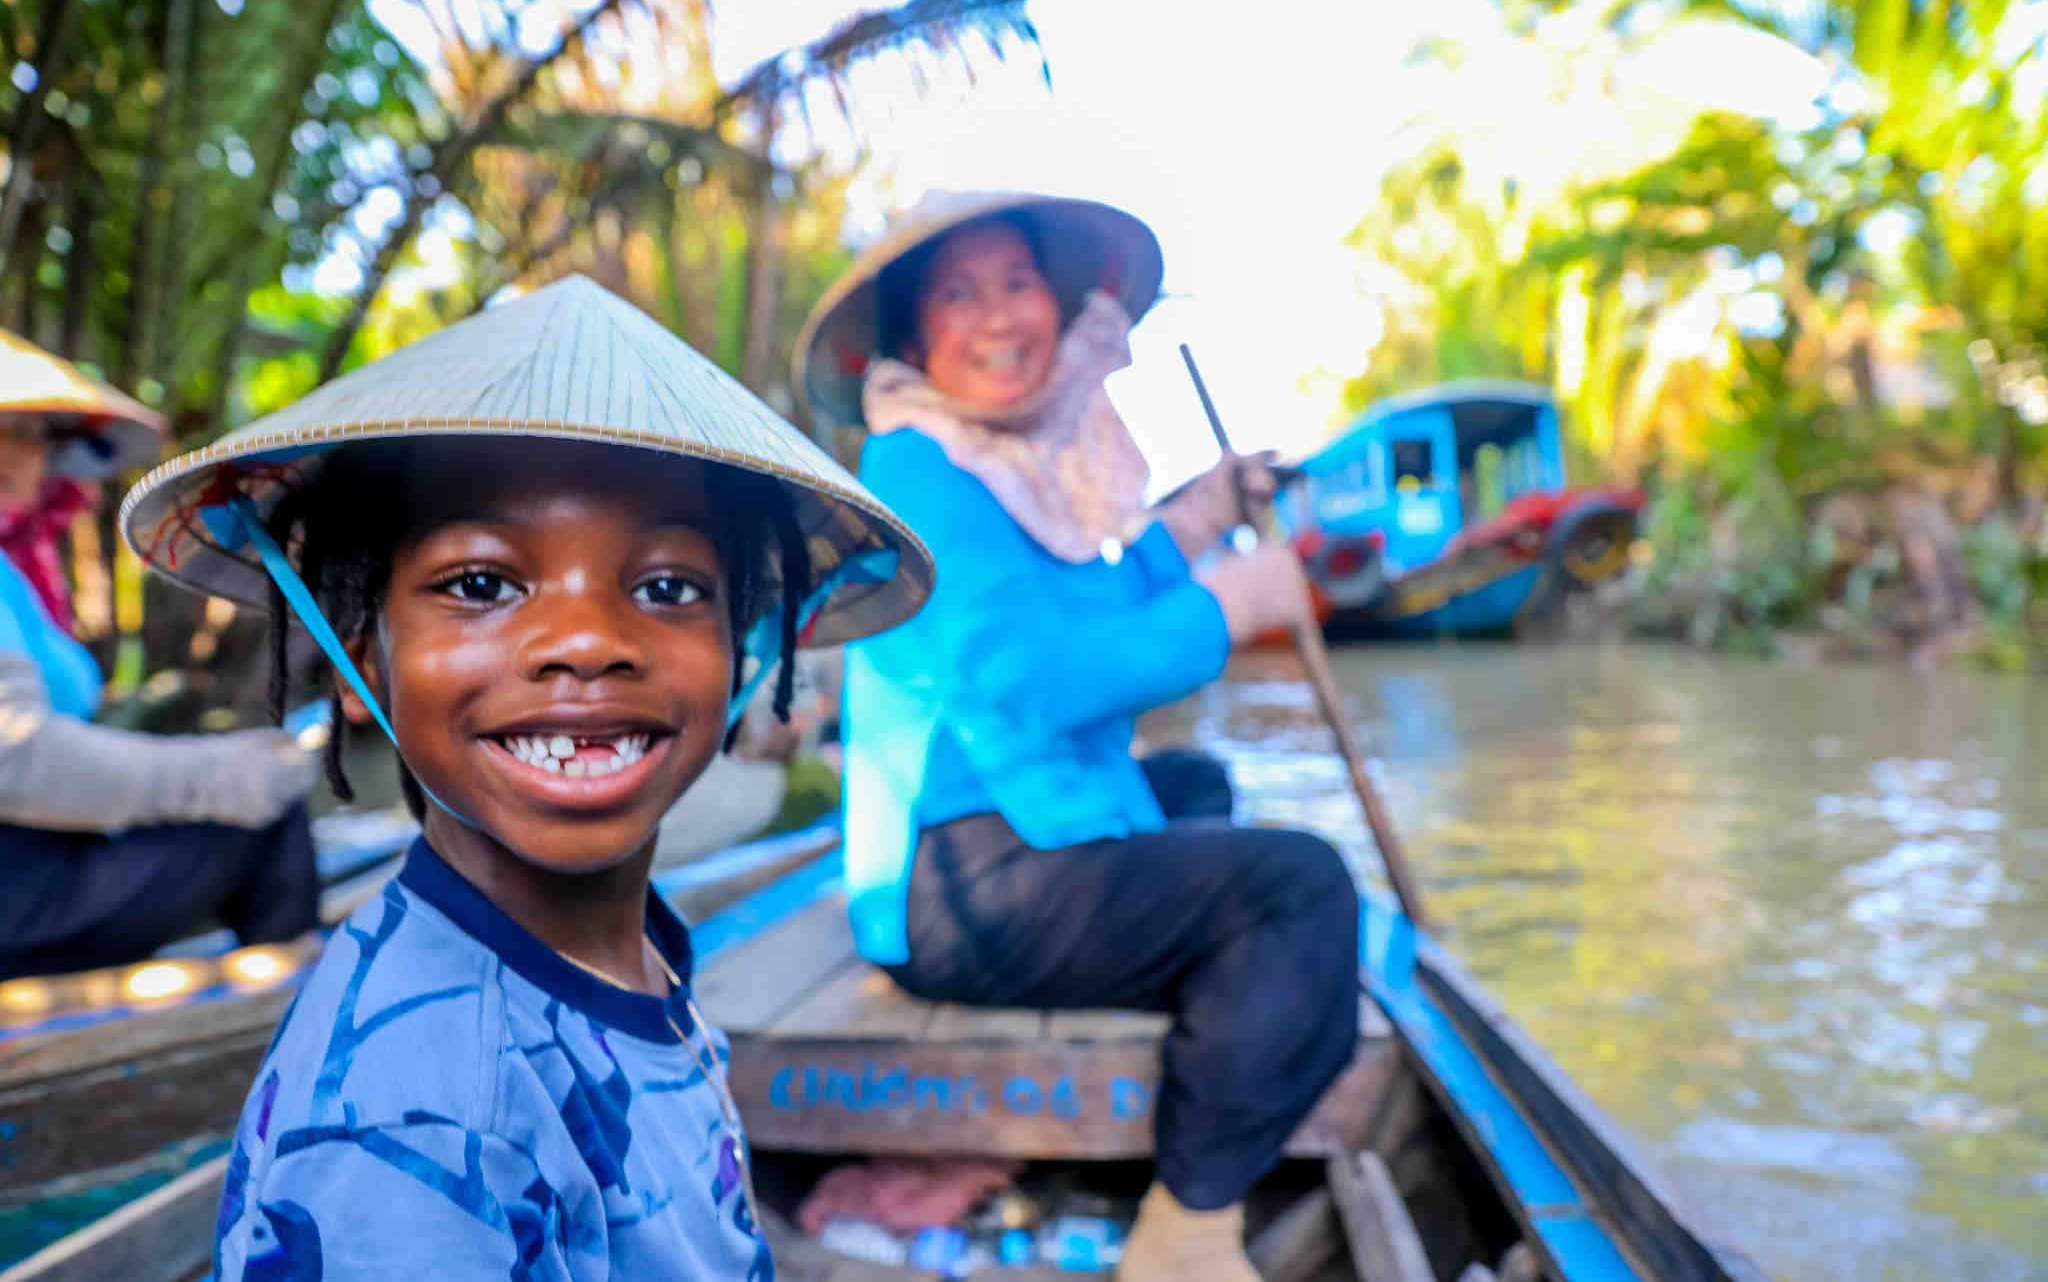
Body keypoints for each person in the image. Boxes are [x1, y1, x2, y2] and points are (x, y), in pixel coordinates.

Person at [121, 276, 930, 1279]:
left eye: (668, 588)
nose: (587, 644)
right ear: (361, 656)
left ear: (741, 651)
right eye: (481, 584)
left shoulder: (634, 956)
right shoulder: (415, 1120)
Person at [795, 192, 1362, 1282]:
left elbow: (1084, 614)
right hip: (952, 887)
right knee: (1300, 889)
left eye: (1018, 285)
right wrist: (1229, 605)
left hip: (1015, 842)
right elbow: (1034, 680)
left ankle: (1203, 1052)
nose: (998, 317)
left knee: (1192, 782)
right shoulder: (917, 470)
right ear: (913, 338)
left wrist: (1196, 524)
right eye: (959, 293)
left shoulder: (1001, 471)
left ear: (1061, 313)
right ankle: (1187, 1232)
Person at [0, 331, 319, 979]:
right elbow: (17, 758)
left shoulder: (17, 575)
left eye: (33, 431)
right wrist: (216, 778)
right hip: (17, 894)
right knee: (266, 817)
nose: (17, 450)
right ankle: (299, 1041)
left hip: (39, 867)